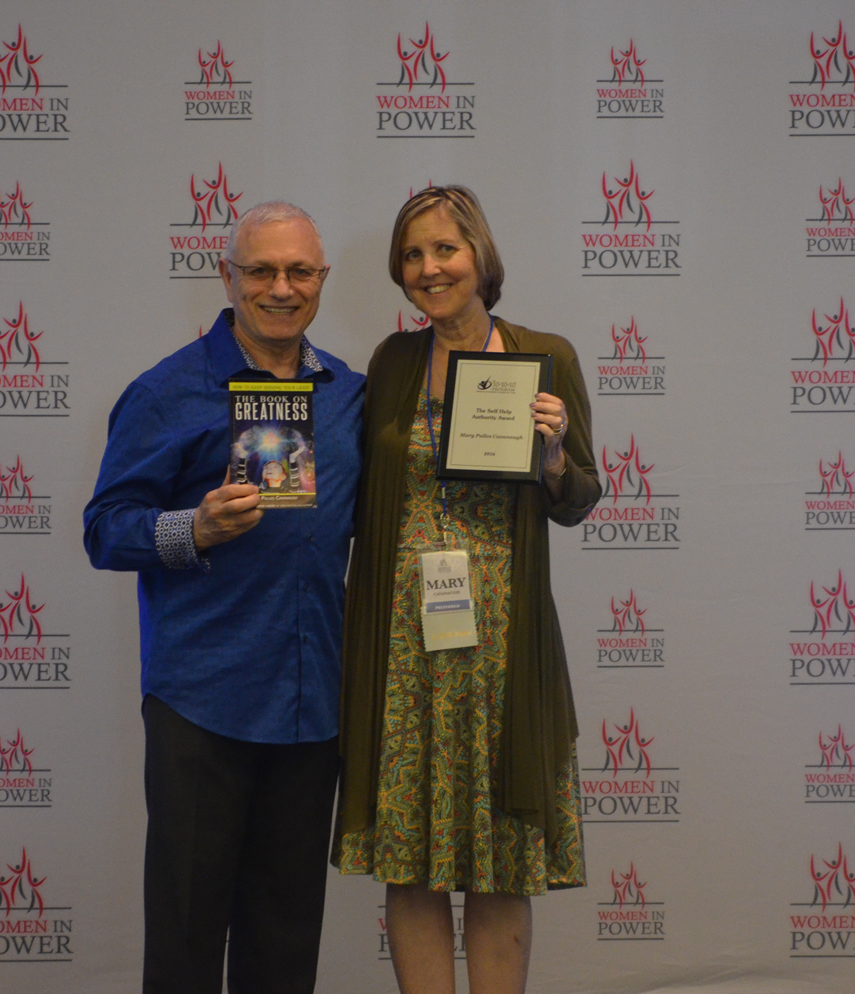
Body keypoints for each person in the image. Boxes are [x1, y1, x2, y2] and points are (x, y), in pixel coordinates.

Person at [83, 202, 363, 994]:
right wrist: (193, 529)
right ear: (227, 276)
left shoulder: (349, 394)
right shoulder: (166, 391)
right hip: (201, 705)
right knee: (185, 942)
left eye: (299, 271)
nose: (281, 288)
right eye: (261, 271)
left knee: (285, 945)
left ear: (322, 279)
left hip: (311, 707)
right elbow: (104, 530)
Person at [334, 186, 600, 992]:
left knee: (502, 861)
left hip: (502, 652)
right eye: (412, 255)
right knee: (409, 861)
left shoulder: (545, 355)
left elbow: (580, 497)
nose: (429, 268)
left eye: (444, 249)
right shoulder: (392, 361)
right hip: (404, 648)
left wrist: (551, 457)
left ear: (480, 256)